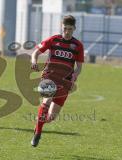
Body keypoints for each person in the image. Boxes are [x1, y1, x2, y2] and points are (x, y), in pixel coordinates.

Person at [30, 15, 84, 147]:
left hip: (65, 82)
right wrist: (33, 61)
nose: (67, 32)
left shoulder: (77, 45)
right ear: (62, 27)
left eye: (70, 29)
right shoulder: (54, 40)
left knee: (51, 118)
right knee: (46, 100)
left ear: (74, 29)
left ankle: (39, 124)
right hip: (49, 76)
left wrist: (74, 76)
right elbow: (35, 52)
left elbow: (79, 67)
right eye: (65, 28)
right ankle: (38, 133)